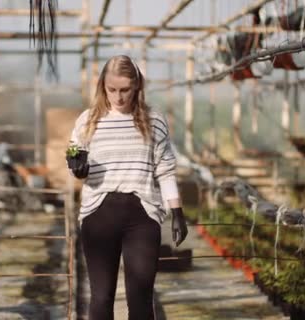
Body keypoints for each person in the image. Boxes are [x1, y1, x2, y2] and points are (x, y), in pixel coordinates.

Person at [66, 55, 188, 320]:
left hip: (142, 217)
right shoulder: (87, 121)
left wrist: (177, 212)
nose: (118, 97)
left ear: (137, 87)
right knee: (101, 296)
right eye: (112, 90)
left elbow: (165, 169)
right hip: (98, 215)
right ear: (103, 87)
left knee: (141, 296)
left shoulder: (153, 121)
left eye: (125, 90)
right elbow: (76, 161)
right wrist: (77, 167)